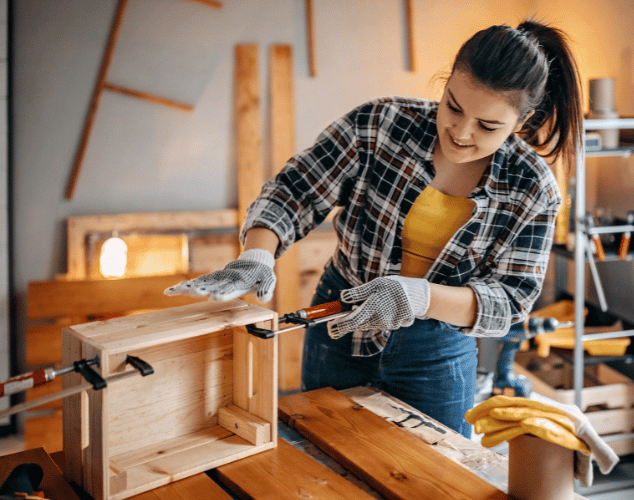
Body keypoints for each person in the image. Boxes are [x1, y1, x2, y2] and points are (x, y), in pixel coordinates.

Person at [166, 18, 582, 438]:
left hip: (436, 350)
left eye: (488, 126)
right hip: (341, 322)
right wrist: (257, 252)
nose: (460, 131)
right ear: (445, 84)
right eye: (453, 106)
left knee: (433, 474)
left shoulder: (533, 188)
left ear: (522, 122)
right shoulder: (381, 124)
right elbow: (295, 190)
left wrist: (418, 296)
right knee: (327, 458)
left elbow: (510, 301)